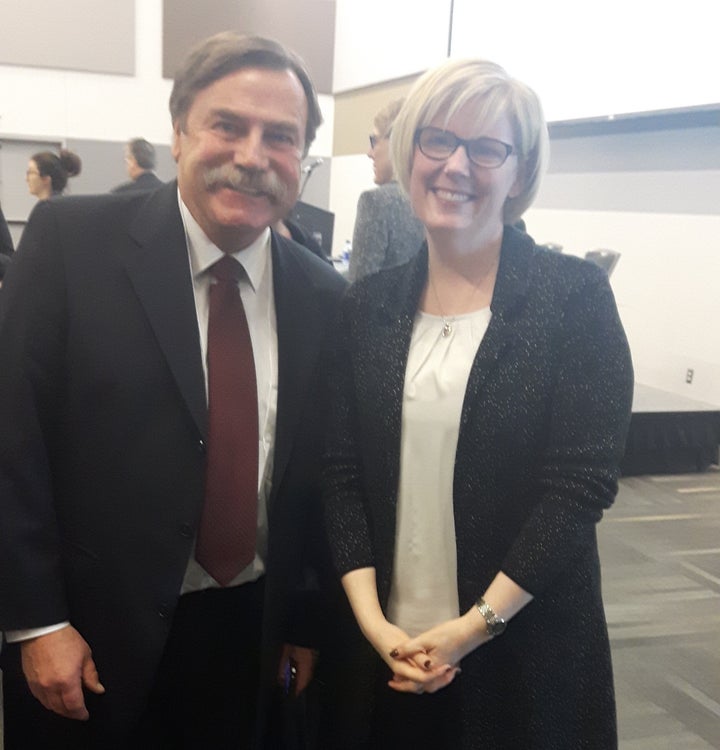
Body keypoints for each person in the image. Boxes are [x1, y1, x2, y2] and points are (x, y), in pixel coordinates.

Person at [0, 32, 346, 749]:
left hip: (249, 636)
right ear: (180, 130)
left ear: (302, 159)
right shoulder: (71, 244)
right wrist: (36, 620)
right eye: (228, 125)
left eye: (279, 137)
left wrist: (306, 623)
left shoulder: (323, 295)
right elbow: (12, 438)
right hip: (88, 639)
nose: (252, 156)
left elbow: (316, 480)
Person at [322, 57, 633, 749]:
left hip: (522, 647)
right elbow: (341, 476)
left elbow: (578, 489)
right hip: (385, 648)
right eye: (439, 140)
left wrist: (470, 630)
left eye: (487, 148)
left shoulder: (573, 298)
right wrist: (375, 625)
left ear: (519, 172)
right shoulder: (368, 307)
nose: (457, 164)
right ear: (410, 153)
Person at [347, 98, 424, 282]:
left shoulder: (375, 202)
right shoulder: (432, 202)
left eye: (374, 140)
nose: (369, 152)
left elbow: (358, 290)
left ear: (397, 141)